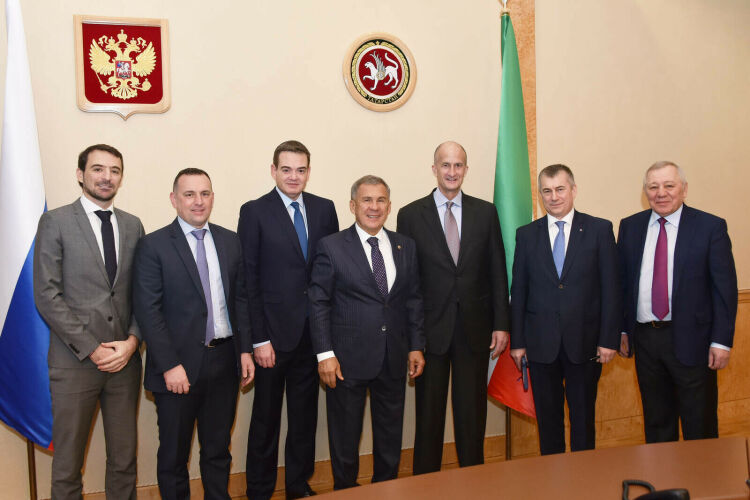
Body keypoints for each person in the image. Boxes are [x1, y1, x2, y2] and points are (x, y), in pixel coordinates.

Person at [132, 168, 254, 500]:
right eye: (189, 194)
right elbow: (148, 311)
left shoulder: (230, 241)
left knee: (218, 450)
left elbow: (241, 300)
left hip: (224, 362)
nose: (198, 201)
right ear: (174, 199)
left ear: (212, 198)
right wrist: (169, 365)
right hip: (177, 368)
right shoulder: (153, 245)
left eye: (205, 193)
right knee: (174, 456)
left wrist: (245, 350)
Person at [33, 144, 144, 500]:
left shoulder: (133, 225)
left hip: (125, 363)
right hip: (74, 362)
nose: (106, 177)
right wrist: (93, 349)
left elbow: (143, 293)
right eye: (98, 169)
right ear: (80, 174)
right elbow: (47, 296)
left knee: (124, 460)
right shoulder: (56, 222)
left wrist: (132, 342)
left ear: (121, 177)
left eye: (114, 170)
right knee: (68, 465)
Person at [396, 141, 510, 473]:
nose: (452, 171)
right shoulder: (410, 215)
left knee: (472, 416)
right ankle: (425, 484)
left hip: (474, 330)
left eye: (458, 165)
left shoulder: (485, 212)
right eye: (445, 165)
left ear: (466, 170)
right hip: (429, 333)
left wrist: (502, 323)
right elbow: (407, 282)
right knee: (428, 418)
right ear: (434, 169)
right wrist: (412, 338)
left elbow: (497, 271)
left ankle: (474, 482)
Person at [309, 175, 425, 489]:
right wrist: (325, 354)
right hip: (345, 361)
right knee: (345, 439)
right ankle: (345, 492)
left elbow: (413, 299)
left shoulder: (405, 246)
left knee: (390, 437)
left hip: (393, 356)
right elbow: (318, 302)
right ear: (353, 205)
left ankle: (386, 489)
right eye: (367, 200)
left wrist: (416, 345)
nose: (374, 207)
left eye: (381, 200)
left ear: (389, 205)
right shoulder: (332, 247)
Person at [238, 140, 338, 500]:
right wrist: (258, 339)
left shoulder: (324, 209)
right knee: (265, 419)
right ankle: (259, 490)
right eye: (286, 169)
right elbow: (248, 279)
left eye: (300, 170)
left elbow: (331, 271)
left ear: (308, 172)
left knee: (304, 418)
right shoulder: (254, 211)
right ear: (273, 171)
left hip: (312, 336)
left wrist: (328, 339)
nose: (294, 176)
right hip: (272, 339)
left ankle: (298, 484)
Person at [618, 161, 737, 443]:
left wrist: (721, 342)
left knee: (699, 423)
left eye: (669, 185)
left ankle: (703, 472)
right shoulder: (630, 227)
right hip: (646, 339)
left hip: (694, 340)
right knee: (657, 421)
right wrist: (622, 329)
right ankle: (662, 472)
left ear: (684, 189)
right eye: (653, 187)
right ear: (645, 192)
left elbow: (725, 289)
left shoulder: (710, 227)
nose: (661, 193)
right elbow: (622, 284)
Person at [509, 164, 621, 455]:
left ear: (573, 190)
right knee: (548, 423)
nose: (554, 197)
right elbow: (519, 291)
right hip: (540, 345)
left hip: (585, 343)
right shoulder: (527, 235)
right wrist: (517, 342)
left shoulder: (599, 230)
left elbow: (611, 288)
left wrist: (608, 339)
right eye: (547, 191)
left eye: (560, 189)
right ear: (540, 195)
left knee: (583, 420)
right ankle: (552, 476)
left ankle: (583, 477)